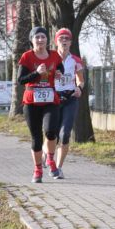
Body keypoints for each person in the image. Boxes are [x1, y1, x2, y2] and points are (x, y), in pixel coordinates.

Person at [17, 26, 64, 183]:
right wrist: (36, 72)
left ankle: (50, 159)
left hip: (50, 100)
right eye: (37, 37)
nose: (40, 39)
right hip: (31, 101)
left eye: (43, 37)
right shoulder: (27, 56)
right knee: (36, 138)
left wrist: (59, 73)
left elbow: (60, 68)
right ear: (32, 40)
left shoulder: (54, 55)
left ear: (47, 39)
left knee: (51, 132)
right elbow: (21, 80)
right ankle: (37, 169)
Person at [52, 28, 85, 179]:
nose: (64, 41)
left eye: (67, 39)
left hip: (70, 99)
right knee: (51, 134)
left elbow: (81, 80)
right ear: (56, 41)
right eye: (61, 38)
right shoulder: (50, 59)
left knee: (65, 134)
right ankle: (47, 155)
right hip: (53, 99)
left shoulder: (76, 60)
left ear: (71, 42)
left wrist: (79, 88)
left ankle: (58, 168)